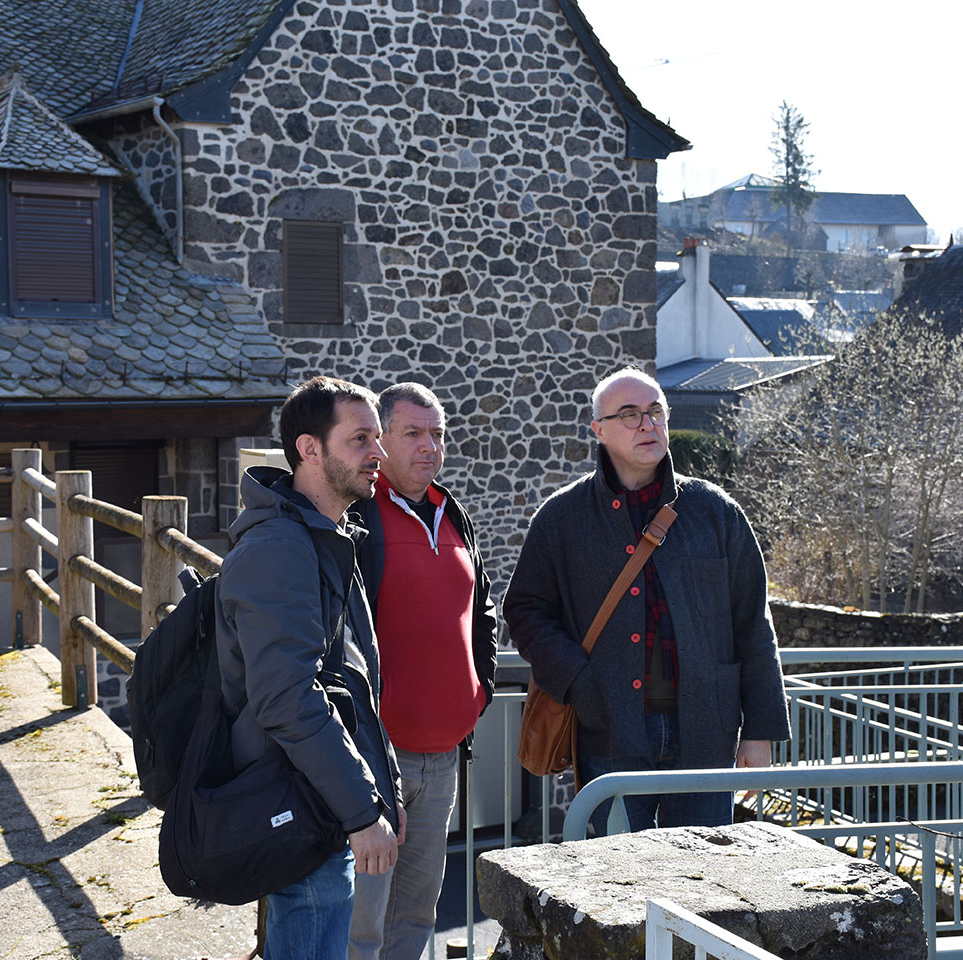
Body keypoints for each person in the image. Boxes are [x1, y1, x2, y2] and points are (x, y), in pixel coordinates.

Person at [504, 366, 789, 832]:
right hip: (610, 731)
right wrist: (578, 681)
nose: (647, 424)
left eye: (656, 411)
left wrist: (760, 731)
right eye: (630, 414)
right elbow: (525, 610)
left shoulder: (715, 511)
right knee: (621, 891)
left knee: (704, 888)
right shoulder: (562, 518)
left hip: (705, 733)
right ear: (599, 430)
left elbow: (753, 624)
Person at [215, 376, 405, 960]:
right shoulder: (282, 547)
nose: (380, 453)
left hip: (317, 793)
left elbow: (354, 682)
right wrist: (359, 810)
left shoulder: (329, 538)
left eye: (378, 438)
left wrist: (383, 784)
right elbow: (286, 696)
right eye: (361, 439)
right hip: (299, 803)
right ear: (309, 448)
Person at [347, 383, 498, 960]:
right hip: (376, 758)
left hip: (443, 759)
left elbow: (480, 606)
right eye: (413, 433)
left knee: (416, 915)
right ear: (380, 440)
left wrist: (478, 691)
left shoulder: (451, 510)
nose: (429, 447)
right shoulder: (359, 516)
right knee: (363, 921)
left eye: (438, 434)